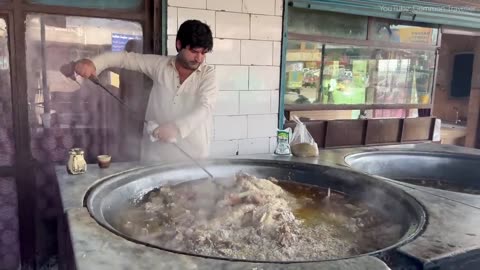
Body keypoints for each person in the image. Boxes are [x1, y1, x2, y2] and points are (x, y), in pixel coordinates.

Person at [74, 20, 217, 162]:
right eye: (194, 51)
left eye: (203, 53)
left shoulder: (208, 75)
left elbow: (205, 107)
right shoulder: (160, 66)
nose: (199, 58)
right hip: (156, 155)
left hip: (193, 157)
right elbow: (125, 59)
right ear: (179, 44)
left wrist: (177, 127)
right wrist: (93, 63)